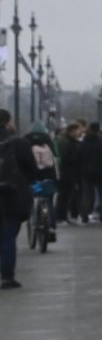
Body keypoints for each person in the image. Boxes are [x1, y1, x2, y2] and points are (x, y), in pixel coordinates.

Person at [0, 108, 35, 289]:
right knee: (7, 236)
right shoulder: (18, 143)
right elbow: (31, 168)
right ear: (8, 122)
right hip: (11, 195)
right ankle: (6, 276)